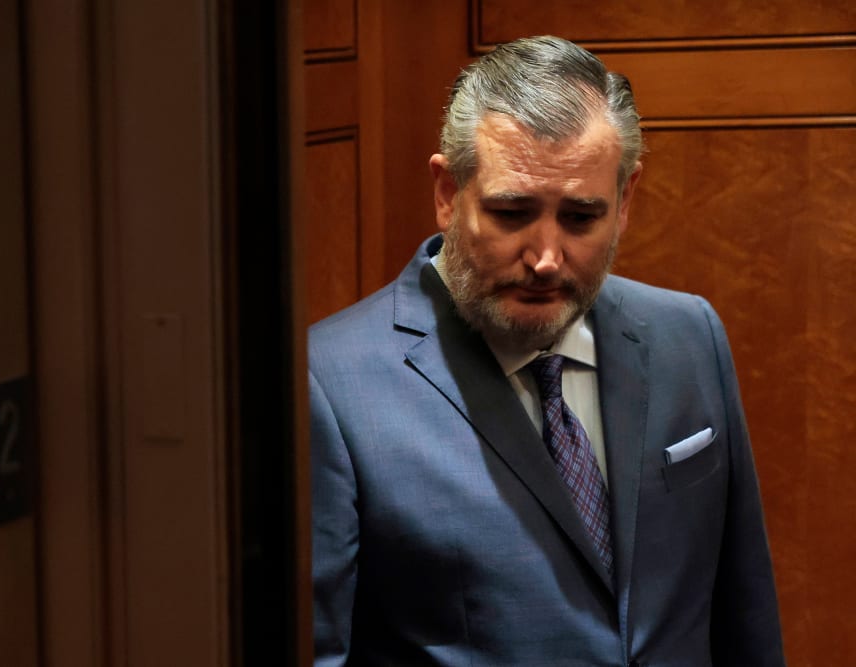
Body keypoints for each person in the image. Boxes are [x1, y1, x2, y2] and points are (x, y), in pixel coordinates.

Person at [308, 35, 784, 666]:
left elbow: (741, 612)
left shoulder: (688, 334)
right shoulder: (329, 384)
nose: (546, 259)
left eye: (581, 217)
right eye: (512, 212)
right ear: (448, 193)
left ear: (626, 200)